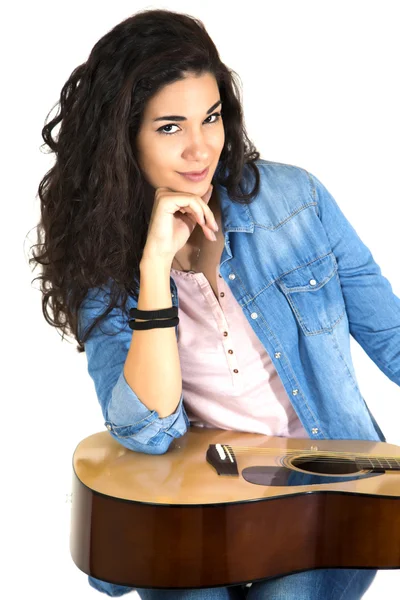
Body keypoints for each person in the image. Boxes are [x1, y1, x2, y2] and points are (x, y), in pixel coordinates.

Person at [29, 7, 400, 600]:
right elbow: (147, 431)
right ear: (122, 140)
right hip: (187, 503)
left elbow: (392, 337)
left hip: (320, 498)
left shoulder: (295, 202)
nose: (201, 149)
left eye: (211, 118)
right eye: (170, 127)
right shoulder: (100, 262)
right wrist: (153, 270)